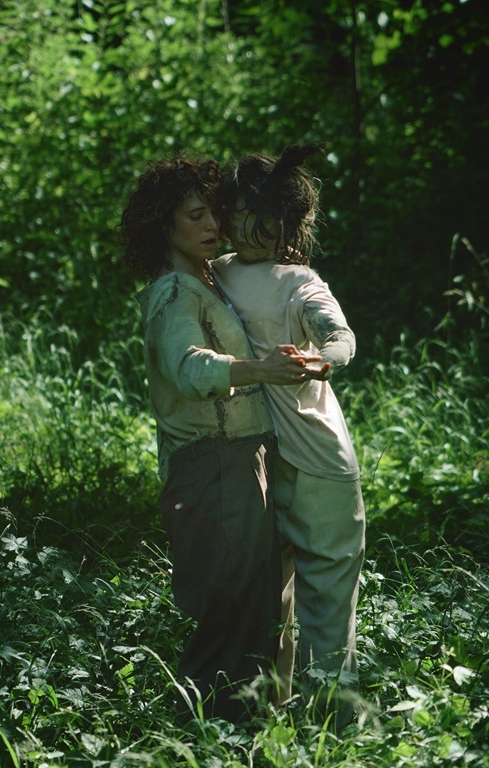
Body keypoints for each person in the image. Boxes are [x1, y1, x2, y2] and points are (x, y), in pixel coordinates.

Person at [120, 154, 324, 724]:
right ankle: (197, 747)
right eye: (194, 215)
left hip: (239, 459)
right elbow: (188, 368)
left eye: (213, 212)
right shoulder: (174, 292)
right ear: (163, 225)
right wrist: (262, 370)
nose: (212, 225)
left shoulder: (206, 280)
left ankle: (251, 742)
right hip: (212, 466)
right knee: (228, 613)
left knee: (258, 610)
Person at [211, 143, 366, 725]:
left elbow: (340, 336)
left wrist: (322, 357)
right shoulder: (212, 272)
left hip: (316, 460)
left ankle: (332, 719)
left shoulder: (299, 279)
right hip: (257, 457)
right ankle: (282, 715)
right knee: (276, 596)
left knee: (324, 596)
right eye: (249, 211)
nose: (260, 228)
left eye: (272, 217)